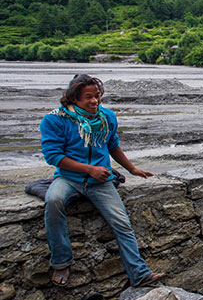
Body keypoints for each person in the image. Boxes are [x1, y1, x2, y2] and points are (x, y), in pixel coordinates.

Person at [40, 74, 164, 288]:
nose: (94, 101)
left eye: (97, 96)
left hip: (100, 182)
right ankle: (61, 261)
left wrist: (132, 169)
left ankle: (139, 273)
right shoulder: (55, 119)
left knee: (122, 223)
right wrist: (90, 169)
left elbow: (112, 145)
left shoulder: (106, 117)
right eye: (88, 97)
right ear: (73, 99)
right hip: (69, 178)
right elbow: (54, 156)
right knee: (53, 202)